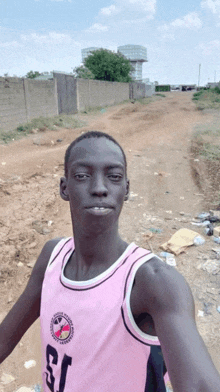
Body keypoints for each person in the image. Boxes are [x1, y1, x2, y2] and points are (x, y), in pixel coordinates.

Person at [0, 130, 220, 392]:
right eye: (82, 176)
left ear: (126, 189)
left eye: (114, 177)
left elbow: (200, 385)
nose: (99, 189)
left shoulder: (152, 282)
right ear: (64, 188)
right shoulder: (52, 257)